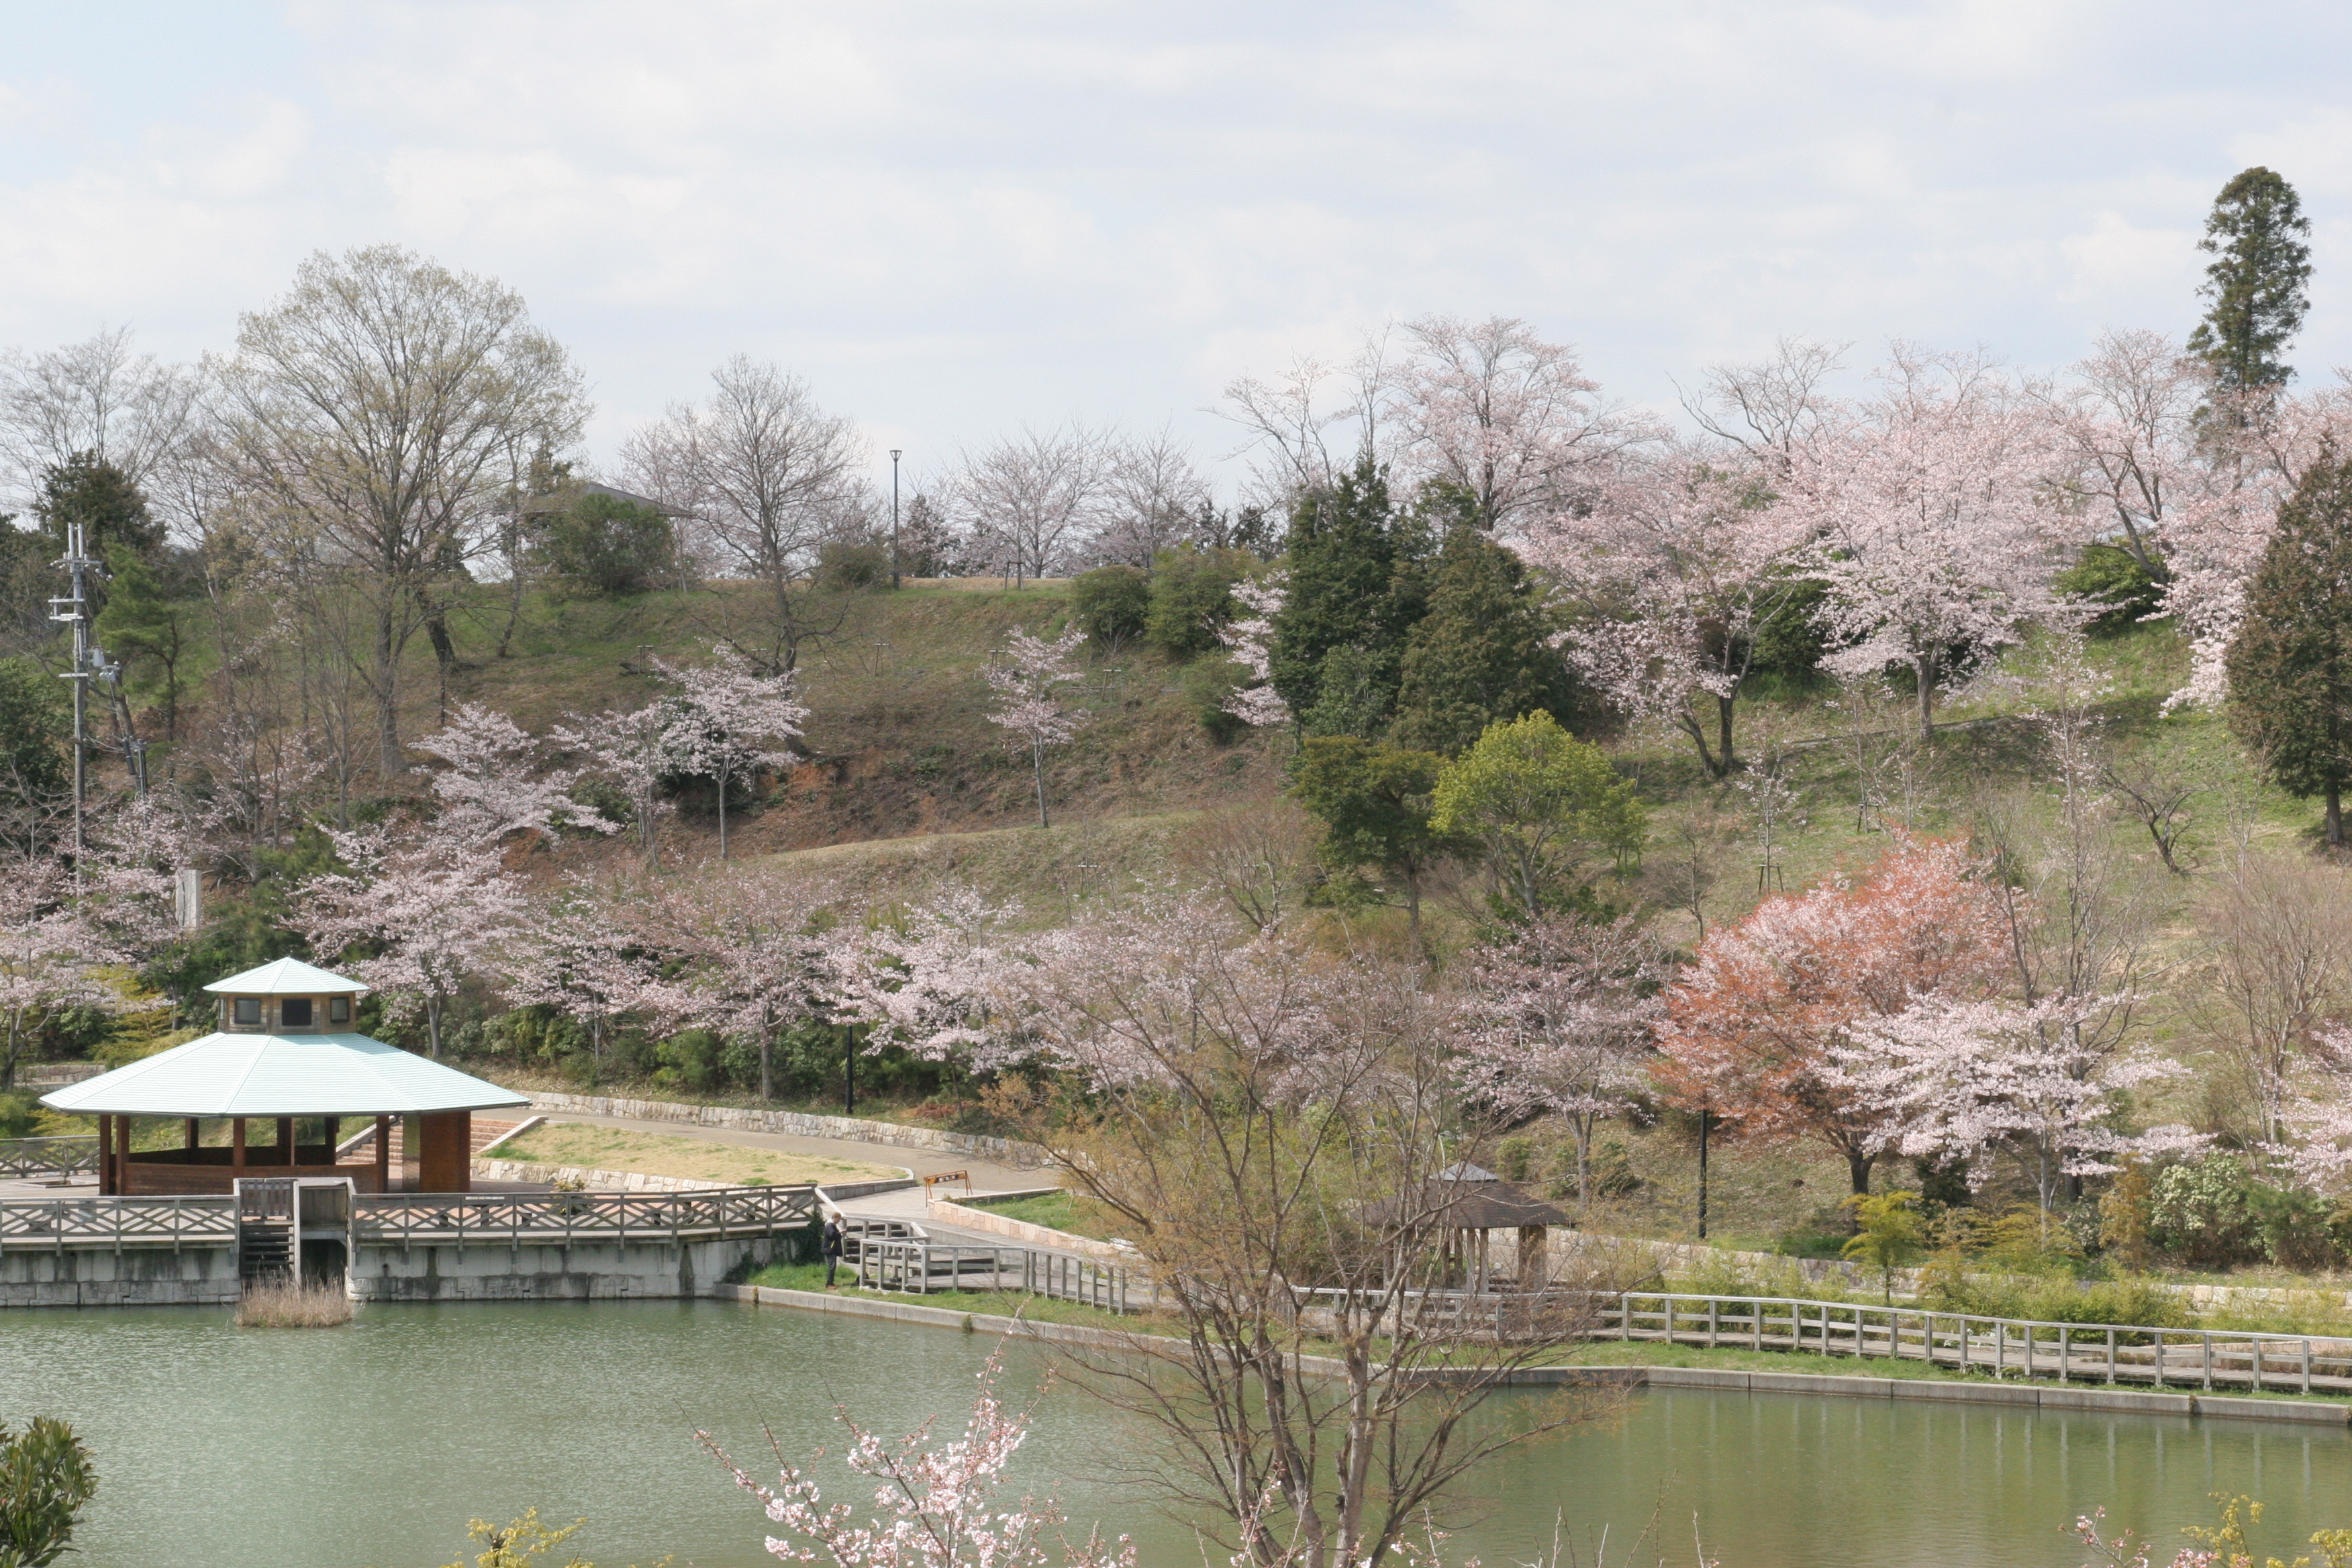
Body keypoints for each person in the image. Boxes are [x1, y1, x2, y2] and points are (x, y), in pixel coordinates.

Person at [822, 1217, 844, 1288]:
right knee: (832, 1266)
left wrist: (840, 1234)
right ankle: (829, 1284)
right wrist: (840, 1233)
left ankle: (831, 1282)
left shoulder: (831, 1225)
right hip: (829, 1249)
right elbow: (832, 1235)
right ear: (835, 1218)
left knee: (833, 1266)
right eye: (838, 1219)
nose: (839, 1221)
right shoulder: (830, 1226)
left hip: (831, 1249)